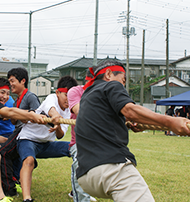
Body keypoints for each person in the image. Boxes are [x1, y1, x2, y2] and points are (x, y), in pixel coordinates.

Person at [75, 60, 190, 202]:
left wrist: (131, 122)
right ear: (109, 74)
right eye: (123, 80)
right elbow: (130, 110)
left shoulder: (87, 95)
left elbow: (111, 119)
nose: (123, 86)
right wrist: (171, 121)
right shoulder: (112, 85)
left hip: (86, 177)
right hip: (111, 168)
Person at [16, 76, 77, 202]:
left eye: (71, 96)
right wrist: (55, 116)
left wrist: (58, 125)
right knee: (29, 160)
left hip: (46, 145)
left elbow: (60, 135)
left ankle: (76, 190)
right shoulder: (51, 98)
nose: (68, 99)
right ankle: (27, 198)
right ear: (58, 93)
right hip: (28, 139)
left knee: (78, 150)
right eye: (66, 95)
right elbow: (51, 108)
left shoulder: (69, 111)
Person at [0, 67, 41, 196]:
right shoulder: (17, 100)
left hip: (25, 134)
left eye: (12, 81)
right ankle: (14, 181)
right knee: (8, 154)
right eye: (9, 81)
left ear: (22, 81)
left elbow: (38, 116)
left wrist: (27, 117)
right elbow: (14, 121)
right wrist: (12, 116)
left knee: (3, 153)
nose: (10, 84)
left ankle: (9, 189)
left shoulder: (30, 96)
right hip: (18, 132)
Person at [67, 82, 95, 202]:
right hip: (79, 143)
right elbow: (79, 111)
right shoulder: (75, 91)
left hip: (103, 144)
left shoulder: (109, 92)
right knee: (79, 163)